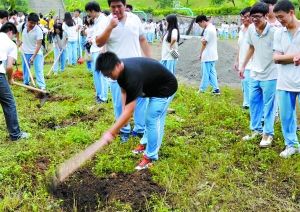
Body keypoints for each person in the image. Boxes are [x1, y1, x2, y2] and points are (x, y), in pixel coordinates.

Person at [96, 52, 178, 170]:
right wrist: (123, 112)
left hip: (165, 88)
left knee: (152, 119)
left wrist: (111, 132)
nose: (109, 77)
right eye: (106, 75)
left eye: (109, 74)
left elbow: (129, 112)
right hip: (152, 86)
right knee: (148, 118)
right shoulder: (119, 69)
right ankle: (145, 143)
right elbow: (124, 91)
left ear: (118, 66)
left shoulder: (132, 75)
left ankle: (151, 156)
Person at [96, 0, 151, 143]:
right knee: (120, 103)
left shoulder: (135, 19)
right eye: (113, 7)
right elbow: (98, 42)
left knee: (140, 101)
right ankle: (124, 130)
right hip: (116, 71)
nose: (116, 10)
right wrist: (110, 27)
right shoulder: (105, 21)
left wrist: (149, 61)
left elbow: (143, 39)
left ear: (125, 6)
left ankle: (139, 129)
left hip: (137, 69)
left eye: (119, 6)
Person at [239, 2, 277, 147]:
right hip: (255, 72)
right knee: (254, 103)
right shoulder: (251, 31)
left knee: (269, 105)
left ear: (266, 16)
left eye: (257, 17)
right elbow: (251, 47)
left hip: (270, 74)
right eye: (251, 17)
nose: (254, 20)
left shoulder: (274, 32)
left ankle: (268, 134)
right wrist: (243, 65)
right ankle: (256, 130)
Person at [273, 0, 300, 157]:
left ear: (291, 12)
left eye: (281, 16)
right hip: (284, 82)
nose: (279, 20)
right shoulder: (278, 33)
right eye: (276, 17)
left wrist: (285, 57)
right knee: (286, 116)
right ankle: (291, 144)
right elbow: (276, 58)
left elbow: (281, 57)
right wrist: (295, 56)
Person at [0, 22, 29, 141]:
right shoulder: (10, 44)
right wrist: (10, 78)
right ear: (11, 32)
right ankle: (16, 135)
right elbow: (9, 67)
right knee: (9, 104)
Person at [85, 1, 109, 103]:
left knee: (102, 74)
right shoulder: (96, 20)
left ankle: (104, 97)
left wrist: (93, 40)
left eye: (89, 12)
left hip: (100, 50)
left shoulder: (104, 20)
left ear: (93, 11)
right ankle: (99, 95)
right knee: (96, 73)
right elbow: (94, 33)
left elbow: (104, 36)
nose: (89, 15)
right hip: (95, 49)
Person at [18, 12, 46, 90]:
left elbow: (38, 44)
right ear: (27, 20)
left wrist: (33, 56)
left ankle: (42, 86)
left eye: (35, 23)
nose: (33, 25)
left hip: (36, 53)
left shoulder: (38, 30)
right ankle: (26, 83)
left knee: (38, 69)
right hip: (25, 51)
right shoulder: (22, 26)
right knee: (26, 69)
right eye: (31, 23)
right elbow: (15, 30)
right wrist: (18, 40)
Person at [196, 15, 220, 95]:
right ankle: (216, 89)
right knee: (212, 72)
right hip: (212, 54)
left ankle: (202, 90)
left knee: (205, 73)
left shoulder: (208, 30)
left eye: (200, 24)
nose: (200, 26)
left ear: (203, 21)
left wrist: (201, 53)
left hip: (207, 55)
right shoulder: (212, 27)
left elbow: (204, 43)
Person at [234, 7, 252, 109]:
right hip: (242, 62)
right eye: (242, 17)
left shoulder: (254, 29)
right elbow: (239, 46)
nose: (244, 19)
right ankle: (246, 103)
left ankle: (249, 104)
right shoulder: (241, 30)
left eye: (246, 17)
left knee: (248, 82)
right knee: (244, 83)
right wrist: (237, 61)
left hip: (251, 62)